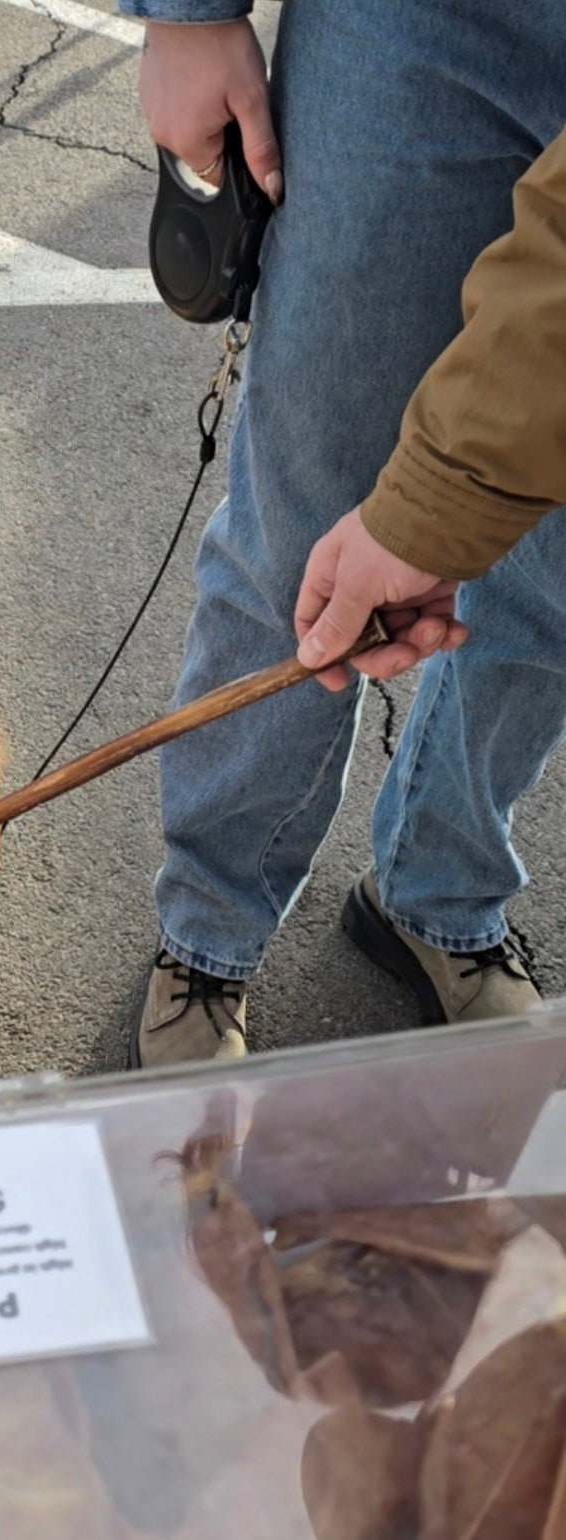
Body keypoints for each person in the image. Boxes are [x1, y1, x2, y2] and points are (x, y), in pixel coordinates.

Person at [119, 0, 566, 1068]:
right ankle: (209, 928)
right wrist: (188, 14)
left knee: (557, 574)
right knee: (300, 524)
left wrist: (445, 502)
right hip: (414, 26)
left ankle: (441, 893)